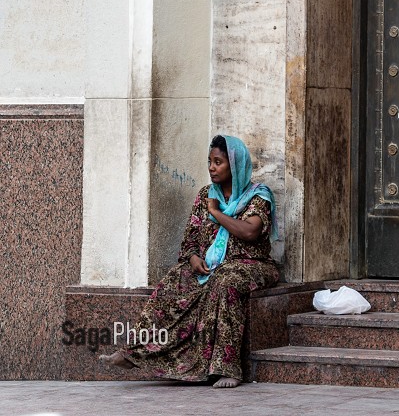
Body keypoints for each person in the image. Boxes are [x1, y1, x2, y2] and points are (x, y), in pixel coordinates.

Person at [100, 134, 279, 388]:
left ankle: (228, 368)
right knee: (176, 278)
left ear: (235, 165)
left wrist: (216, 212)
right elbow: (190, 239)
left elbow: (250, 231)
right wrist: (194, 258)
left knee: (225, 281)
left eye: (218, 162)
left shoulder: (258, 196)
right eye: (209, 161)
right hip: (209, 266)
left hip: (252, 264)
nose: (211, 168)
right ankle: (134, 352)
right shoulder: (205, 195)